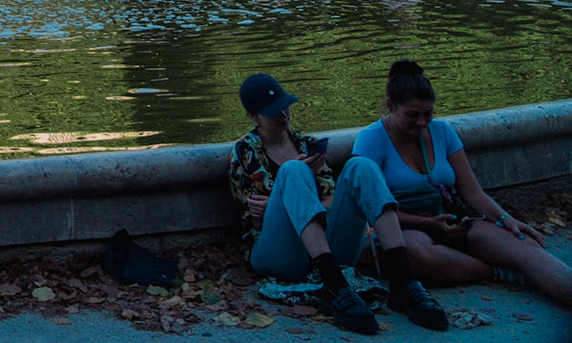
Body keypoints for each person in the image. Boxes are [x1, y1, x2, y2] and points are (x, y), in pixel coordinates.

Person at [228, 72, 445, 333]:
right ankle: (334, 285)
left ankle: (404, 281)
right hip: (279, 256)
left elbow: (331, 201)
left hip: (327, 247)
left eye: (285, 106)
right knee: (293, 170)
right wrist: (283, 200)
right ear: (253, 116)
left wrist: (291, 202)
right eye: (273, 111)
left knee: (362, 166)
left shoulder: (308, 144)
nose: (283, 115)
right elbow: (255, 221)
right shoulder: (245, 151)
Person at [350, 61, 572, 309]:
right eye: (412, 115)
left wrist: (506, 219)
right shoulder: (370, 140)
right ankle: (500, 271)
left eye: (428, 114)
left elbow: (471, 192)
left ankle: (532, 273)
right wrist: (428, 223)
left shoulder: (443, 131)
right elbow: (369, 207)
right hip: (402, 226)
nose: (422, 123)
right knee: (418, 255)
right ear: (391, 105)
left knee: (524, 246)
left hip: (451, 218)